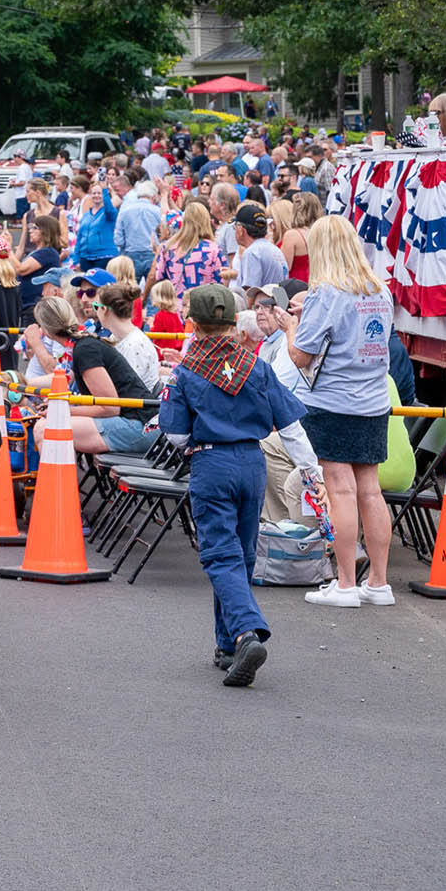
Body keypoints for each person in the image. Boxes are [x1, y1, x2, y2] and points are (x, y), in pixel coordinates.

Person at [158, 283, 322, 686]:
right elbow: (291, 425)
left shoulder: (185, 373)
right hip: (254, 461)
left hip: (212, 462)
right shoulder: (258, 367)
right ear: (235, 324)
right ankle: (227, 644)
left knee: (219, 555)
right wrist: (311, 471)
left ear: (192, 324)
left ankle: (247, 632)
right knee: (242, 555)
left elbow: (175, 435)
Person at [286, 215, 397, 608]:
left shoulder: (325, 293)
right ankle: (379, 583)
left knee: (341, 491)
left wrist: (289, 326)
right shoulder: (380, 291)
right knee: (371, 490)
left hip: (333, 400)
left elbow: (301, 355)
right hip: (373, 401)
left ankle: (346, 583)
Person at [30, 295, 160, 456]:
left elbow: (110, 407)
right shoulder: (82, 345)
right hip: (133, 421)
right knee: (47, 424)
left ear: (46, 330)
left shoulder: (85, 350)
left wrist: (63, 409)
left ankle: (57, 482)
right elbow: (63, 378)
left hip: (140, 425)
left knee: (45, 429)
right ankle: (60, 480)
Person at [152, 202, 226, 291]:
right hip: (204, 302)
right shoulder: (214, 250)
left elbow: (159, 277)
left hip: (175, 302)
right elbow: (221, 282)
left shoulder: (169, 248)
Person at [13, 215, 63, 325]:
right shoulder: (36, 252)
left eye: (35, 228)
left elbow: (21, 269)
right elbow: (14, 268)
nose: (31, 231)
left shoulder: (47, 252)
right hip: (26, 305)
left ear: (46, 231)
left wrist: (6, 249)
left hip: (35, 305)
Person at [229, 201, 286, 292]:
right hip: (275, 303)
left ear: (241, 230)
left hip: (261, 304)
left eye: (235, 227)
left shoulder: (252, 253)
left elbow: (250, 292)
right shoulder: (274, 249)